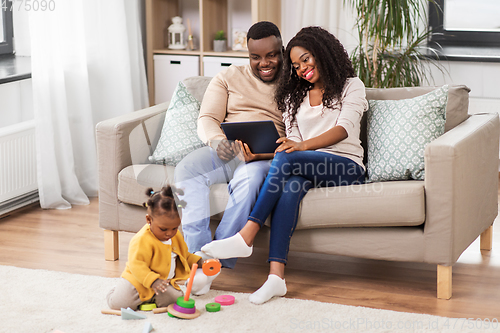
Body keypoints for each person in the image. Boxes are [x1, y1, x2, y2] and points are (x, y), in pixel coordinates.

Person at [201, 26, 369, 304]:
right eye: (296, 65)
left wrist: (301, 147)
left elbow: (343, 129)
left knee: (290, 160)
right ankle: (276, 277)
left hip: (345, 166)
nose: (302, 68)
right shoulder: (295, 97)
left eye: (306, 59)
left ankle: (246, 235)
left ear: (322, 53)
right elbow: (290, 144)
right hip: (307, 166)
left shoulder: (352, 85)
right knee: (290, 189)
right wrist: (259, 156)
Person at [174, 21, 285, 271]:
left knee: (250, 179)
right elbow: (208, 118)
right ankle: (197, 254)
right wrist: (218, 143)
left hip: (267, 156)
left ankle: (218, 257)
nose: (264, 63)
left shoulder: (294, 81)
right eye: (256, 57)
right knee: (187, 170)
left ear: (282, 50)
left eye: (271, 55)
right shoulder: (228, 77)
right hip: (229, 151)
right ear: (248, 55)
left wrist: (265, 153)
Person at [106, 186, 218, 310]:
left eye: (175, 228)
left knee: (177, 300)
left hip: (162, 283)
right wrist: (153, 281)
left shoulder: (176, 237)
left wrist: (201, 262)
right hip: (137, 282)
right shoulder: (141, 240)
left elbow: (185, 256)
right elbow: (136, 265)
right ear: (149, 220)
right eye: (163, 229)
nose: (169, 233)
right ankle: (116, 290)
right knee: (118, 304)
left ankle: (152, 298)